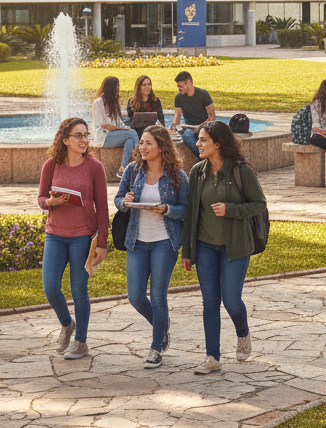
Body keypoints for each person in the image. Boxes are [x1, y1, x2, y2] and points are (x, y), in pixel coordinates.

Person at [181, 120, 267, 374]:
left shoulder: (241, 171)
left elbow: (259, 203)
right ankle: (212, 357)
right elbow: (191, 213)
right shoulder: (197, 171)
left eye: (203, 140)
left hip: (235, 246)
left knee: (231, 300)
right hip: (205, 246)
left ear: (218, 144)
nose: (198, 144)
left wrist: (230, 210)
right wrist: (188, 251)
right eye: (198, 139)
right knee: (210, 302)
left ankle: (243, 333)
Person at [114, 126, 190, 368]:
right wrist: (125, 202)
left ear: (161, 147)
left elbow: (186, 209)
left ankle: (156, 347)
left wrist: (167, 209)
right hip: (137, 240)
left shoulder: (178, 175)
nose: (142, 147)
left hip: (164, 241)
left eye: (148, 143)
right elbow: (118, 199)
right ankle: (162, 323)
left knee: (158, 296)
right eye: (142, 143)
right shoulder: (132, 170)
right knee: (135, 297)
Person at [37, 117, 109, 360]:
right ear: (65, 139)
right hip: (55, 235)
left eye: (86, 135)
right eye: (78, 135)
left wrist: (102, 243)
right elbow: (40, 198)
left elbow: (103, 208)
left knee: (79, 289)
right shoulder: (51, 165)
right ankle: (68, 324)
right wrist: (50, 202)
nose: (84, 140)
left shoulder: (95, 167)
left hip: (82, 236)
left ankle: (81, 342)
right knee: (50, 287)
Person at [91, 76, 139, 176]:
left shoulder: (113, 103)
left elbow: (120, 122)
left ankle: (122, 169)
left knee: (130, 140)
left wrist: (127, 127)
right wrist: (123, 130)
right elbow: (103, 126)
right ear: (110, 88)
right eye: (116, 87)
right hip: (102, 137)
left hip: (114, 135)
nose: (118, 90)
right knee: (132, 133)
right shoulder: (98, 102)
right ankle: (141, 162)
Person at [170, 71, 216, 158]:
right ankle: (204, 159)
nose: (179, 89)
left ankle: (203, 160)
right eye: (178, 86)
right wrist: (170, 130)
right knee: (187, 134)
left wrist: (199, 127)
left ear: (189, 83)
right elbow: (177, 118)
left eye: (180, 86)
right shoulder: (179, 97)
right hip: (189, 128)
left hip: (204, 127)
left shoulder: (203, 94)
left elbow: (212, 117)